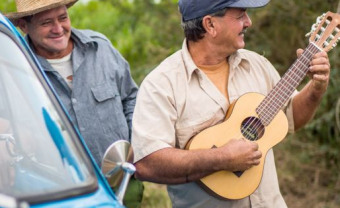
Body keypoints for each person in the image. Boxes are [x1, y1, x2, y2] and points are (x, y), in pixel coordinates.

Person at [131, 0, 330, 207]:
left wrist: (316, 89)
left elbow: (291, 119)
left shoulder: (257, 65)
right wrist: (220, 158)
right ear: (210, 25)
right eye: (240, 15)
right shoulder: (162, 85)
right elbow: (147, 164)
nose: (249, 22)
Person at [5, 0, 142, 207]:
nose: (58, 29)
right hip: (59, 195)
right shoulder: (13, 68)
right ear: (24, 25)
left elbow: (131, 99)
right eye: (46, 22)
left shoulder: (101, 48)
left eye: (62, 18)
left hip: (122, 182)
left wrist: (135, 152)